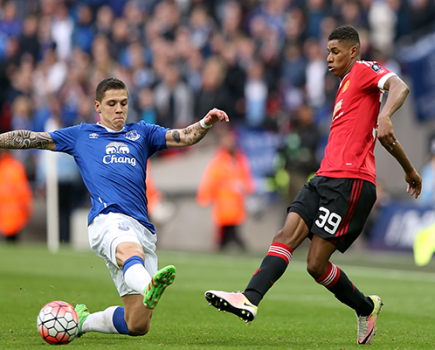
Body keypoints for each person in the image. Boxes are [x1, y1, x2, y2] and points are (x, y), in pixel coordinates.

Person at [204, 26, 422, 345]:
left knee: (316, 264)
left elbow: (398, 86)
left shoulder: (362, 71)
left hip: (350, 183)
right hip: (323, 177)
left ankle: (366, 307)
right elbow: (382, 137)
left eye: (335, 51)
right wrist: (409, 169)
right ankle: (248, 298)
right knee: (285, 236)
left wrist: (387, 114)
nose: (329, 58)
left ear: (352, 52)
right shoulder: (346, 87)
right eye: (327, 51)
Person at [0, 77, 229, 337]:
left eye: (123, 103)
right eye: (112, 103)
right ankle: (149, 284)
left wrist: (205, 123)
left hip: (141, 225)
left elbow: (184, 137)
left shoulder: (142, 133)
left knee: (137, 324)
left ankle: (82, 322)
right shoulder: (81, 135)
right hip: (107, 219)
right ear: (98, 106)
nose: (119, 108)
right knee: (130, 250)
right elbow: (33, 138)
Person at [196, 128, 255, 251]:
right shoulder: (219, 161)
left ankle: (224, 247)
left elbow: (246, 178)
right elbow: (211, 180)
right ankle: (230, 247)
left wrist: (245, 188)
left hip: (235, 202)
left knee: (230, 230)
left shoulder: (239, 159)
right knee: (227, 230)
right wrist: (205, 197)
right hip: (223, 201)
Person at [0, 148, 33, 242]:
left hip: (10, 208)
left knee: (11, 238)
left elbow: (21, 189)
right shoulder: (14, 166)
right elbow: (23, 190)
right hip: (12, 209)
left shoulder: (10, 167)